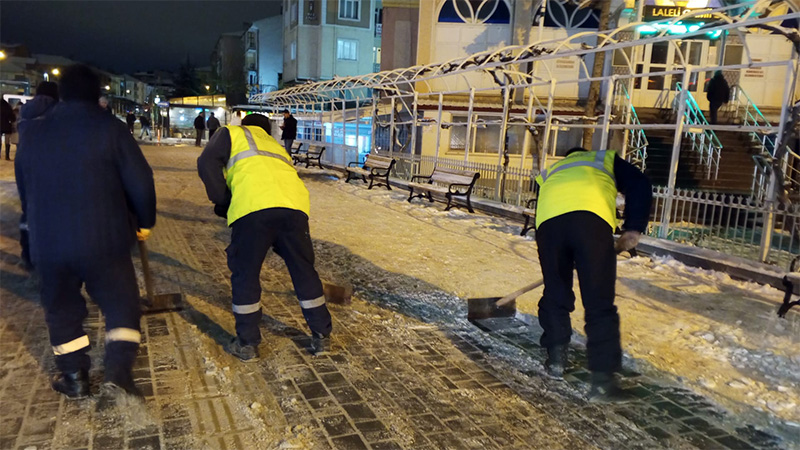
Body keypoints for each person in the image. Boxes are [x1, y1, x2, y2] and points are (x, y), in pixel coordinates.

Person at [15, 64, 156, 400]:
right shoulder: (111, 129)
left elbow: (24, 190)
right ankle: (119, 374)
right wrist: (145, 221)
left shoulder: (32, 133)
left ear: (62, 93)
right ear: (97, 95)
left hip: (49, 242)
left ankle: (74, 377)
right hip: (104, 240)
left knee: (61, 308)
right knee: (122, 304)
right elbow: (141, 182)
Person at [197, 113, 332, 361]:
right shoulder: (275, 145)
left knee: (246, 273)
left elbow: (206, 163)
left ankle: (247, 344)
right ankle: (322, 336)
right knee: (303, 270)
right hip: (294, 208)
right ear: (267, 129)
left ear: (245, 125)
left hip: (253, 209)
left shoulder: (231, 133)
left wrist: (223, 201)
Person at [533, 147, 651, 402]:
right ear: (585, 153)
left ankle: (555, 360)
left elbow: (544, 201)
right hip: (590, 221)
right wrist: (633, 227)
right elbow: (640, 183)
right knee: (598, 300)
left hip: (548, 225)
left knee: (556, 292)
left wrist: (563, 248)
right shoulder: (603, 159)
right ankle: (602, 384)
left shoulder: (552, 171)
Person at [17, 81, 60, 270]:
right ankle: (49, 254)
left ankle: (27, 254)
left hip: (24, 161)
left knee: (28, 208)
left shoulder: (25, 111)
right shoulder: (58, 111)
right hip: (49, 162)